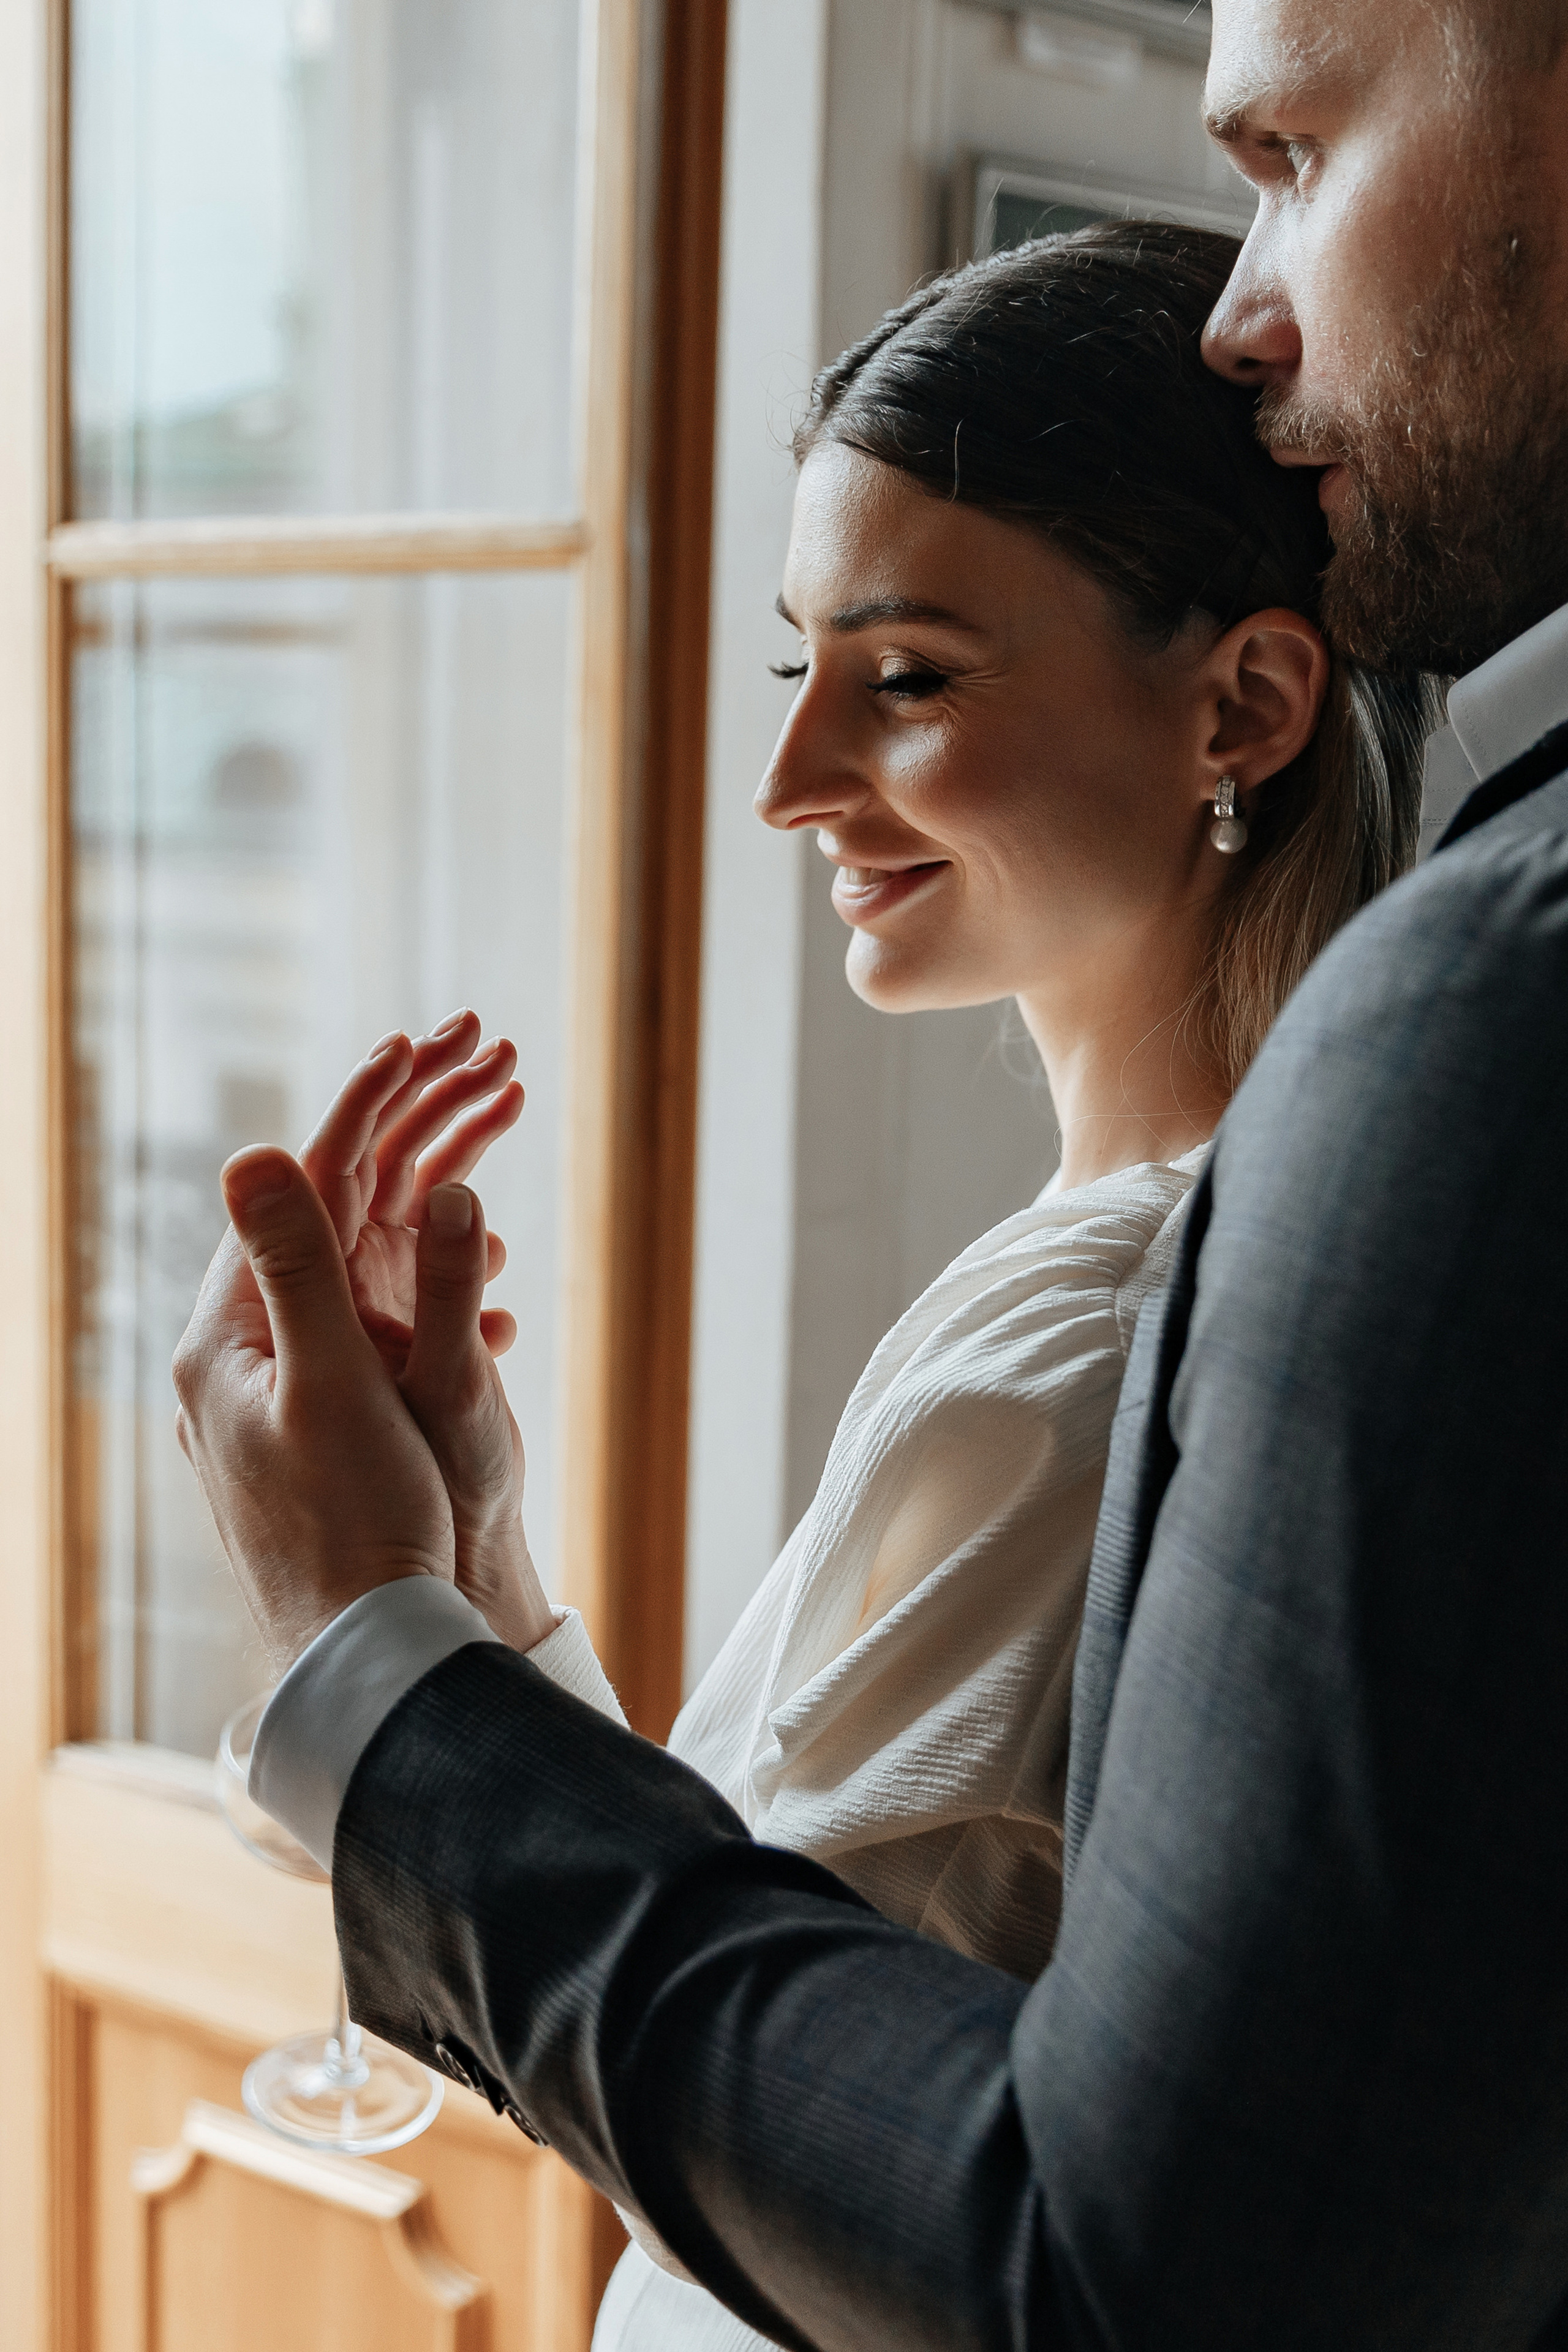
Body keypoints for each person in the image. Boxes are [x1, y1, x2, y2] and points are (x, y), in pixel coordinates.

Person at [173, 1, 1568, 2342]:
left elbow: (868, 2189)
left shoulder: (1102, 1318)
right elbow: (808, 1967)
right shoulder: (1127, 1250)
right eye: (800, 664)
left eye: (905, 678)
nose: (791, 779)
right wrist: (486, 1594)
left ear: (1242, 706)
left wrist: (363, 1645)